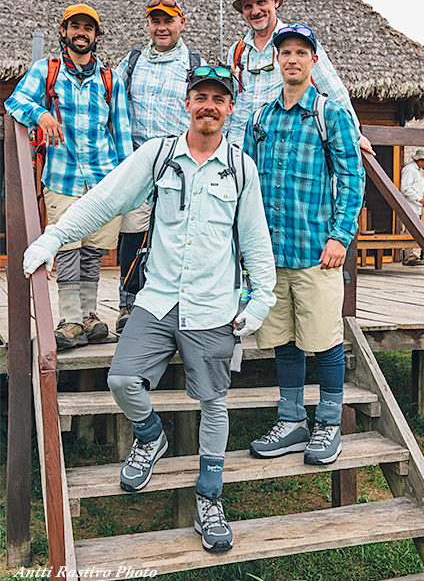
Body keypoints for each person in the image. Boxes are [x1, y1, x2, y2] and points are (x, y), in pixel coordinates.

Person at [23, 66, 277, 553]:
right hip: (157, 299)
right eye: (200, 96)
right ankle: (150, 435)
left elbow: (255, 240)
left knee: (214, 403)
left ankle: (210, 498)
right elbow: (104, 200)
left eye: (218, 99)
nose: (208, 105)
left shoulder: (242, 168)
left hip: (212, 307)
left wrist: (260, 298)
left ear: (229, 109)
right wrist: (53, 237)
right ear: (187, 103)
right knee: (120, 380)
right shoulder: (159, 156)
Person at [243, 23, 365, 465]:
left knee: (325, 338)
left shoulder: (330, 113)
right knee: (283, 340)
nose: (292, 59)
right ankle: (292, 421)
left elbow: (353, 178)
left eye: (301, 52)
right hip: (271, 253)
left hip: (318, 251)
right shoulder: (260, 118)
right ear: (276, 60)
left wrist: (340, 236)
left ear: (314, 60)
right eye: (285, 52)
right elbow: (247, 184)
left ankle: (328, 424)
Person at [6, 4, 132, 350]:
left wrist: (127, 181)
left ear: (96, 35)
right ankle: (70, 319)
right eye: (74, 26)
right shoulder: (45, 71)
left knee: (93, 250)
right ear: (63, 32)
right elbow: (14, 102)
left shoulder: (110, 78)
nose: (81, 33)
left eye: (88, 28)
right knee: (69, 249)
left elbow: (120, 132)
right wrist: (41, 112)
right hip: (62, 176)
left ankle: (90, 316)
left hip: (103, 178)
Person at [114, 0, 206, 333]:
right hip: (139, 160)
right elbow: (107, 96)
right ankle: (128, 304)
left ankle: (175, 304)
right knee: (133, 233)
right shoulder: (132, 60)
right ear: (148, 25)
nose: (162, 28)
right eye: (155, 21)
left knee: (176, 234)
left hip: (178, 162)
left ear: (182, 22)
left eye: (168, 21)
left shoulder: (195, 63)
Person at [227, 0, 374, 155]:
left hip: (280, 148)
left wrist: (355, 134)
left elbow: (332, 88)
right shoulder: (237, 51)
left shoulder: (299, 41)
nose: (255, 11)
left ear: (275, 2)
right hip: (239, 148)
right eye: (248, 6)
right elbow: (229, 100)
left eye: (261, 2)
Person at [400, 149, 424, 266]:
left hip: (415, 206)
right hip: (410, 205)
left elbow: (416, 186)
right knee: (412, 231)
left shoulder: (418, 171)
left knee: (413, 231)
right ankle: (411, 257)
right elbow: (406, 188)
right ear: (417, 159)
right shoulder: (410, 170)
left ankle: (412, 257)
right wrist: (419, 199)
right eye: (423, 160)